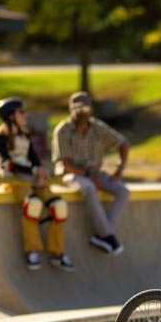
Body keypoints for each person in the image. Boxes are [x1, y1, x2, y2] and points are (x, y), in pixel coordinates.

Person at [0, 97, 73, 271]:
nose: (25, 116)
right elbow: (7, 164)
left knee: (58, 206)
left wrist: (40, 172)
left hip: (33, 179)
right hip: (14, 181)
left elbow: (34, 158)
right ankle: (31, 250)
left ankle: (57, 252)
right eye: (21, 112)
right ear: (11, 116)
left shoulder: (25, 135)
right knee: (33, 204)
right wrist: (34, 172)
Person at [53, 91, 131, 255]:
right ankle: (107, 234)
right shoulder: (63, 130)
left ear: (91, 109)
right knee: (89, 188)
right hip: (70, 174)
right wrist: (89, 177)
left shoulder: (97, 126)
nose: (82, 112)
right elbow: (65, 162)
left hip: (96, 172)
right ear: (71, 109)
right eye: (78, 108)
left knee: (123, 191)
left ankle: (103, 234)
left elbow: (123, 143)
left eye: (85, 108)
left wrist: (120, 169)